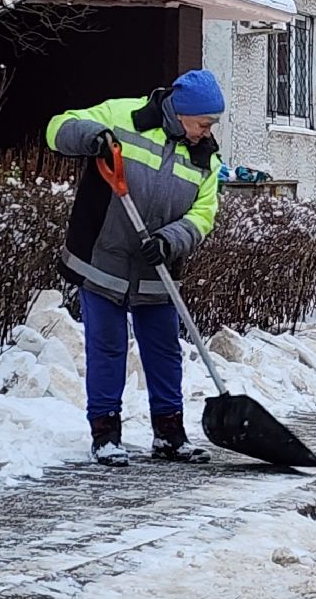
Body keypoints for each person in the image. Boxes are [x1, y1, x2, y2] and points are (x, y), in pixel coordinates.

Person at [46, 70, 225, 467]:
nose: (207, 131)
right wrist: (90, 137)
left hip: (156, 264)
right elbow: (57, 128)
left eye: (211, 124)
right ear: (180, 112)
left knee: (163, 351)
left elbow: (203, 214)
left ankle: (169, 433)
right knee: (107, 347)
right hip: (104, 257)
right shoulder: (123, 116)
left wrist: (169, 240)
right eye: (203, 122)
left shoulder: (206, 159)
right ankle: (106, 433)